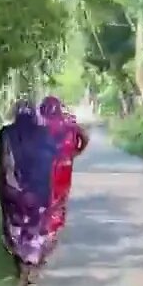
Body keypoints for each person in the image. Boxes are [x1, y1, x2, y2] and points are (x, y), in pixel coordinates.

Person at [0, 99, 59, 286]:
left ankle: (22, 268)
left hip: (14, 192)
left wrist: (6, 189)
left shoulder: (6, 134)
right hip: (39, 192)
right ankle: (32, 268)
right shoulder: (45, 134)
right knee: (36, 228)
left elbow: (4, 164)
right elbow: (52, 163)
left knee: (15, 228)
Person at [38, 95, 89, 250]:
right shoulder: (69, 124)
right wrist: (76, 152)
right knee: (60, 196)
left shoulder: (40, 124)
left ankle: (42, 228)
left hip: (43, 165)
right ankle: (53, 229)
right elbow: (84, 138)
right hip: (64, 164)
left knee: (43, 196)